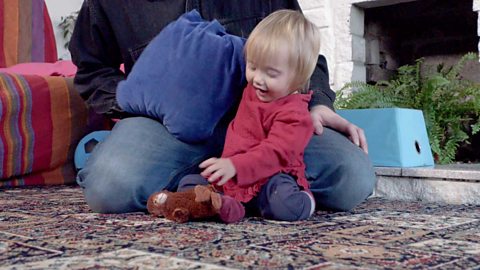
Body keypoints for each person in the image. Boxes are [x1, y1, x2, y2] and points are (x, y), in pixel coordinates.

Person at [69, 0, 376, 214]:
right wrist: (133, 101)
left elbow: (303, 52)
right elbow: (91, 68)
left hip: (264, 120)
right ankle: (240, 185)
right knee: (108, 185)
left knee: (352, 177)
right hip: (163, 127)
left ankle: (228, 187)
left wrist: (319, 101)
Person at [177, 9, 319, 223]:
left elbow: (275, 154)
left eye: (271, 74)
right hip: (233, 174)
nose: (257, 79)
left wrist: (235, 166)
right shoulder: (254, 89)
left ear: (298, 79)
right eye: (252, 67)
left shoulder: (297, 116)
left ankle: (307, 201)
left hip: (271, 177)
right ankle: (227, 206)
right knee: (190, 184)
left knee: (283, 205)